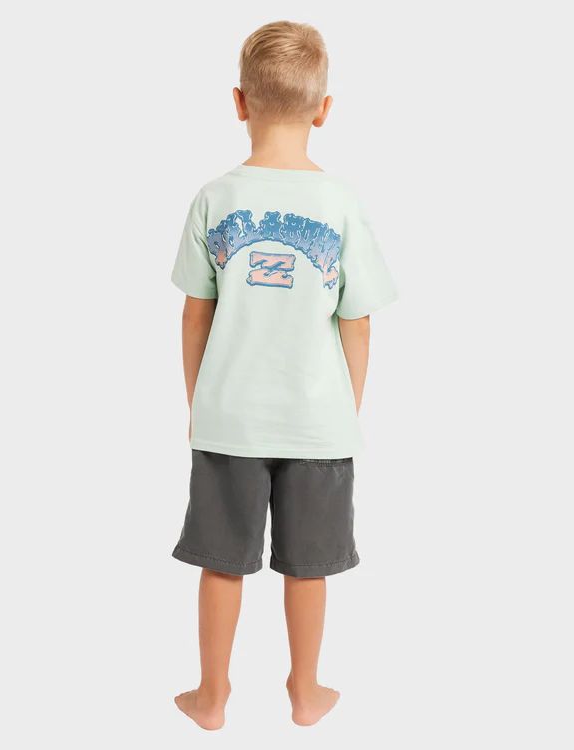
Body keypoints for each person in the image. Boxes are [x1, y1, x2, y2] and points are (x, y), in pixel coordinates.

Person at [171, 20, 397, 729]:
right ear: (324, 109)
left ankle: (211, 697)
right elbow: (358, 321)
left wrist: (199, 402)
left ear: (239, 102)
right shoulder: (340, 202)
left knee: (220, 561)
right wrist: (346, 408)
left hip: (229, 419)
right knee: (309, 565)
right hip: (318, 422)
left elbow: (195, 316)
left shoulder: (215, 197)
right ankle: (305, 690)